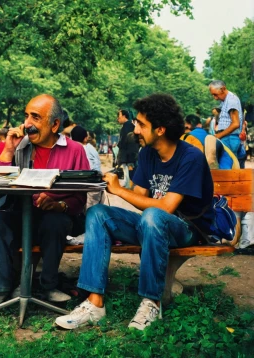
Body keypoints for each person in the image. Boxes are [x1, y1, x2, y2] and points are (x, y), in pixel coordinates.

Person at [56, 93, 216, 331]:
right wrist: (106, 184)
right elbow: (140, 195)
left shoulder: (190, 156)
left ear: (160, 129)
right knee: (98, 213)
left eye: (141, 124)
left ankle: (151, 302)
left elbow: (167, 208)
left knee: (153, 215)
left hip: (188, 228)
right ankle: (94, 303)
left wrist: (120, 191)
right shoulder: (148, 154)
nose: (135, 130)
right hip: (152, 225)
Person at [0, 94, 90, 307]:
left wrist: (60, 205)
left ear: (55, 124)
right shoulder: (19, 146)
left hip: (58, 216)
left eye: (35, 117)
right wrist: (9, 150)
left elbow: (81, 196)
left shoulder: (75, 150)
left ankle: (49, 285)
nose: (27, 123)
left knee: (54, 222)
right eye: (26, 116)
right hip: (22, 214)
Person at [209, 80, 244, 160]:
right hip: (227, 138)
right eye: (213, 95)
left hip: (229, 138)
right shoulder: (226, 100)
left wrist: (219, 135)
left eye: (216, 95)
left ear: (223, 89)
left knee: (227, 168)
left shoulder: (231, 100)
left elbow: (235, 124)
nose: (215, 98)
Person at [116, 109, 139, 188]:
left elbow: (131, 144)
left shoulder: (128, 127)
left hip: (128, 158)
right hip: (126, 158)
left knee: (128, 178)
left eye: (119, 116)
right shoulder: (126, 126)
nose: (117, 118)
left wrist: (130, 161)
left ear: (124, 116)